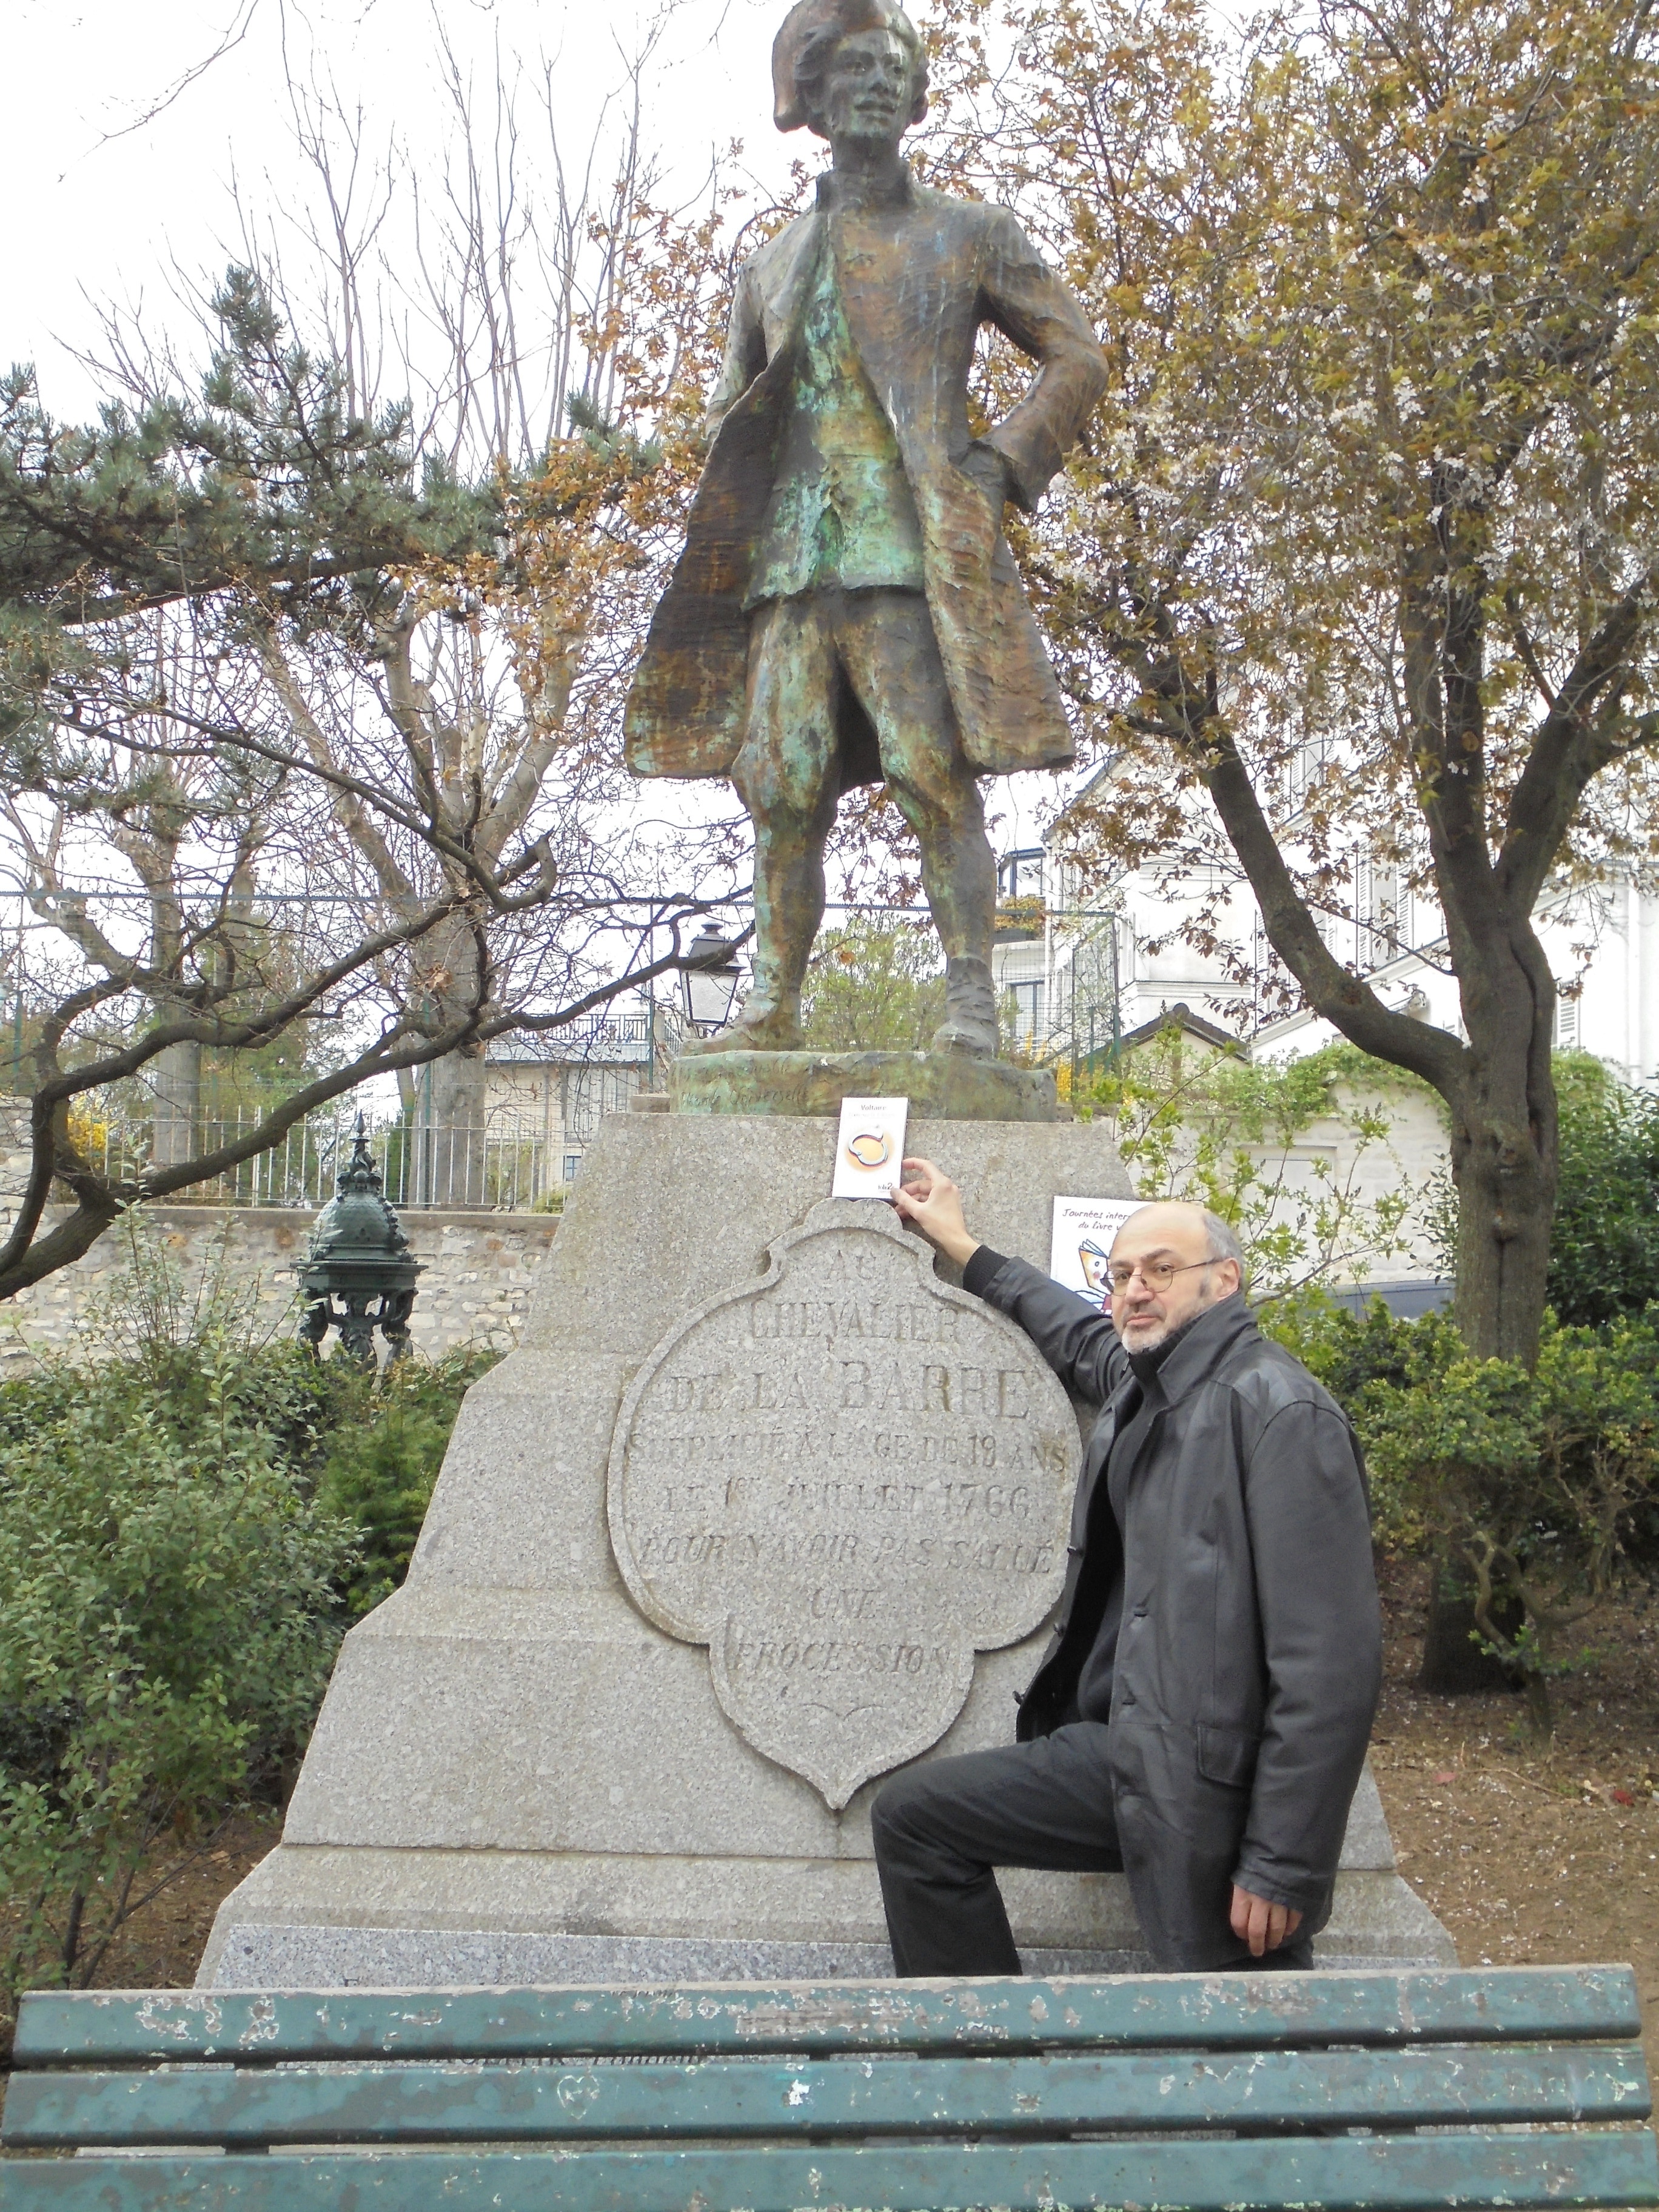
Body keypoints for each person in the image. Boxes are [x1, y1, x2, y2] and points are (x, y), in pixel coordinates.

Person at [623, 0, 1108, 1059]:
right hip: (792, 566)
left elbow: (1077, 356)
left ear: (918, 94)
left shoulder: (967, 234)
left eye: (895, 69)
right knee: (783, 794)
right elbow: (729, 414)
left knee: (931, 773)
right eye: (854, 70)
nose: (877, 85)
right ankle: (769, 1004)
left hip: (906, 555)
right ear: (814, 96)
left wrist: (1005, 462)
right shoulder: (771, 263)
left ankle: (971, 999)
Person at [873, 1161, 1382, 1974]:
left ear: (1224, 1281)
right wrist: (961, 1245)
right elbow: (1076, 1337)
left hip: (1206, 1785)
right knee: (917, 1820)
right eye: (1119, 1275)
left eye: (1160, 1269)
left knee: (1247, 2060)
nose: (1135, 1289)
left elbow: (1330, 1671)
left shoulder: (1278, 1411)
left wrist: (1283, 1863)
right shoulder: (1143, 1384)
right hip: (1123, 1754)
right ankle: (988, 2077)